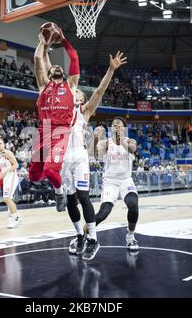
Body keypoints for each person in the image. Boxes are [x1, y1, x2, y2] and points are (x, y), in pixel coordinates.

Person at [58, 52, 127, 261]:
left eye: (78, 91)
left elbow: (99, 90)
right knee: (70, 201)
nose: (75, 92)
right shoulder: (60, 109)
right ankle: (80, 235)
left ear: (81, 98)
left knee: (83, 196)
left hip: (79, 156)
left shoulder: (84, 111)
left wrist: (111, 70)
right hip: (63, 159)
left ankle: (93, 239)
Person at [29, 24, 79, 212]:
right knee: (33, 176)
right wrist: (43, 42)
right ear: (49, 74)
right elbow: (37, 58)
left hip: (60, 131)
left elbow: (74, 58)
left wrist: (64, 40)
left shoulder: (71, 86)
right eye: (53, 67)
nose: (57, 67)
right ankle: (56, 186)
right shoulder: (44, 85)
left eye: (60, 67)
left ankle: (59, 191)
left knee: (51, 170)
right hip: (44, 130)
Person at [87, 118, 140, 252]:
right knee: (103, 213)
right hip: (110, 181)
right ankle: (82, 235)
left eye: (119, 124)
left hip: (126, 180)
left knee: (133, 205)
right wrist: (95, 138)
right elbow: (92, 153)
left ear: (124, 129)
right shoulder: (106, 143)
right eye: (113, 124)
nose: (116, 126)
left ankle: (130, 236)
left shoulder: (130, 141)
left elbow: (132, 149)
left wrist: (121, 139)